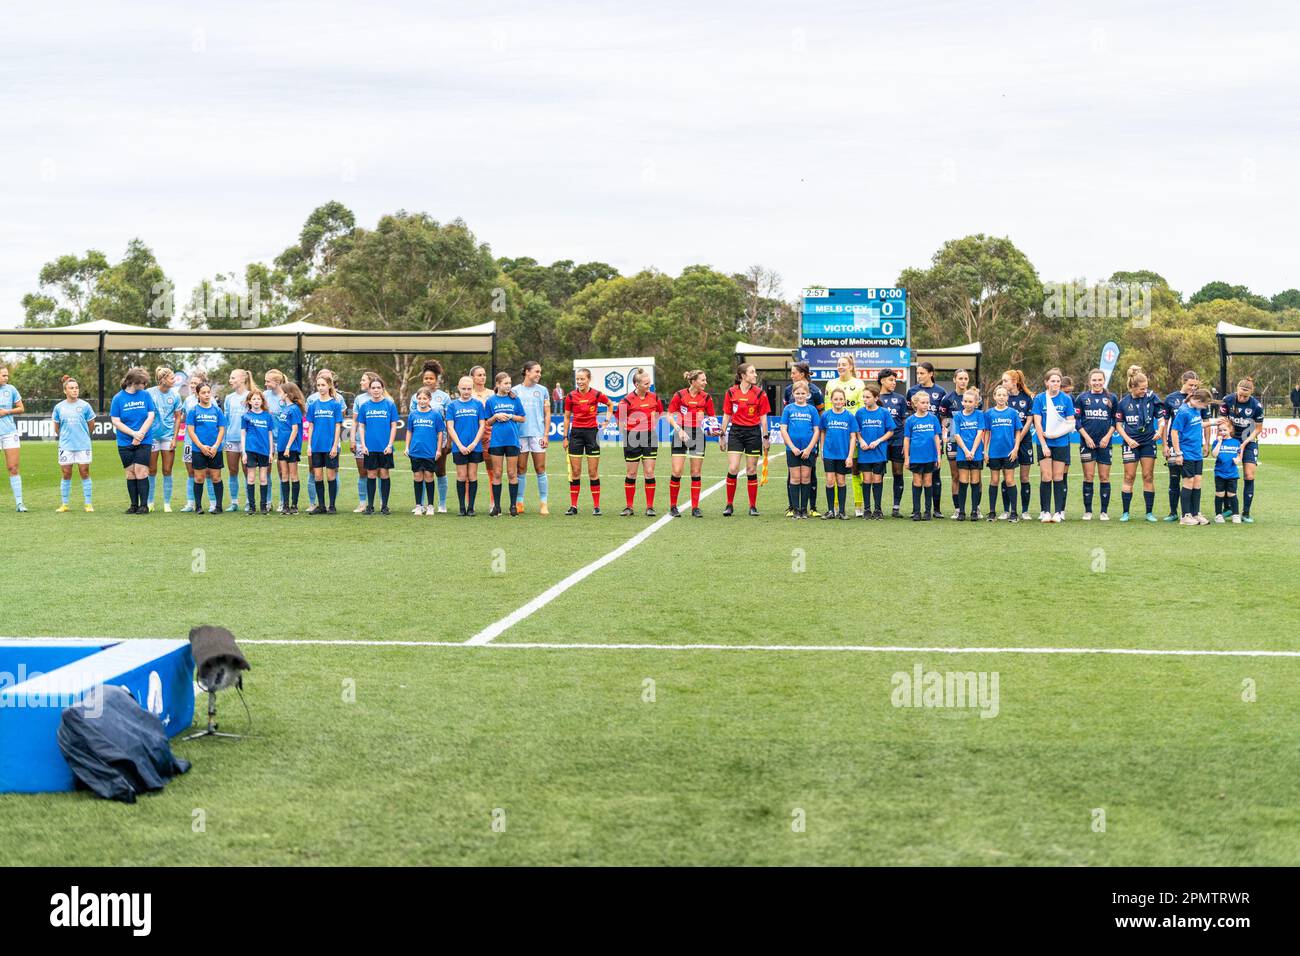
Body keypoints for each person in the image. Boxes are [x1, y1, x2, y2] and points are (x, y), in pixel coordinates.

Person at [561, 368, 613, 516]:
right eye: (577, 379)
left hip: (592, 434)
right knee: (576, 472)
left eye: (582, 379)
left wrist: (607, 420)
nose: (579, 382)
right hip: (576, 434)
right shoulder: (571, 396)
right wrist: (565, 437)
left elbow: (610, 404)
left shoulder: (596, 394)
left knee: (592, 472)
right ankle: (573, 506)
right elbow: (566, 417)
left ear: (589, 379)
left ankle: (596, 506)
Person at [720, 363, 770, 517]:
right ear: (742, 376)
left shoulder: (760, 394)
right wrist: (722, 435)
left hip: (753, 433)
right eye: (752, 372)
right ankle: (729, 504)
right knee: (733, 467)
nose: (755, 375)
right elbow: (727, 415)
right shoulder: (730, 393)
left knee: (751, 470)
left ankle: (753, 506)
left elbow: (763, 417)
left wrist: (765, 437)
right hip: (736, 432)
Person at [1114, 368, 1161, 522]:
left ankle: (1149, 513)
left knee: (1148, 476)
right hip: (1130, 443)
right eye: (1142, 389)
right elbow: (1119, 425)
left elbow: (1161, 418)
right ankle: (1125, 512)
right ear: (1133, 387)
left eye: (1146, 388)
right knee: (1129, 476)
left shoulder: (1152, 398)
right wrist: (1128, 440)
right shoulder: (1123, 403)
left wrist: (1160, 430)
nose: (1145, 391)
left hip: (1148, 442)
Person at [615, 368, 663, 517]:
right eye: (646, 383)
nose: (649, 385)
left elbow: (659, 413)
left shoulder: (654, 397)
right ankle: (629, 507)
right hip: (632, 438)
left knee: (649, 472)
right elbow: (620, 421)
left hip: (649, 437)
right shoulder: (626, 400)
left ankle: (650, 507)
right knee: (632, 473)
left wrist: (650, 426)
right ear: (637, 384)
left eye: (650, 383)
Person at [667, 369, 715, 518]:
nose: (705, 382)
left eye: (705, 380)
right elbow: (669, 415)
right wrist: (679, 430)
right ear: (693, 381)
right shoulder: (680, 395)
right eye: (703, 380)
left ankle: (695, 507)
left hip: (698, 435)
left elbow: (712, 417)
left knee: (695, 472)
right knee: (677, 471)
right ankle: (673, 507)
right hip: (680, 433)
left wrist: (713, 429)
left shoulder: (706, 397)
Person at [407, 361, 452, 514]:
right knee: (421, 472)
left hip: (440, 441)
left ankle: (442, 503)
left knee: (438, 472)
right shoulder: (416, 397)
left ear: (436, 379)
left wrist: (449, 441)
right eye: (426, 378)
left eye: (431, 378)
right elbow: (413, 419)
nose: (428, 381)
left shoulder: (444, 397)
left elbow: (449, 420)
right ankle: (421, 504)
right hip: (420, 443)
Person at [110, 367, 157, 514]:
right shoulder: (118, 398)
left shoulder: (145, 395)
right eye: (142, 382)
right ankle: (133, 505)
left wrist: (140, 434)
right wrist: (133, 434)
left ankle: (144, 505)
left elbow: (151, 416)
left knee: (141, 471)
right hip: (125, 441)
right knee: (130, 473)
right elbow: (116, 421)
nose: (144, 385)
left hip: (144, 440)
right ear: (133, 382)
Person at [1159, 371, 1204, 522]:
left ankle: (1193, 513)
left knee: (1194, 480)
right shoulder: (1172, 399)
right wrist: (1165, 444)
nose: (1193, 388)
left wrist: (1207, 441)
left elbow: (1199, 423)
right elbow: (1167, 425)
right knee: (1176, 479)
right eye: (1190, 385)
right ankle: (1176, 513)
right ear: (1183, 382)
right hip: (1177, 447)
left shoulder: (1197, 402)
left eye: (1195, 386)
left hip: (1193, 448)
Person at [824, 354, 866, 514]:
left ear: (851, 366)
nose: (841, 367)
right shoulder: (831, 383)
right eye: (839, 364)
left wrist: (858, 433)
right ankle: (834, 507)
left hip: (852, 434)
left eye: (844, 364)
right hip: (835, 434)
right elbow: (828, 408)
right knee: (833, 473)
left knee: (856, 469)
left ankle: (858, 505)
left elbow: (861, 410)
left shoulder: (858, 383)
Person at [1032, 368, 1075, 523]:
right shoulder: (1039, 399)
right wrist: (1043, 444)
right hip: (1044, 443)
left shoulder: (1066, 399)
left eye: (1058, 381)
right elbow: (1037, 423)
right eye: (1052, 381)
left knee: (1058, 476)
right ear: (1046, 382)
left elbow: (1070, 422)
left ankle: (1058, 512)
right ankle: (1045, 511)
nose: (1055, 384)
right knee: (1046, 476)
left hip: (1061, 442)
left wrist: (1057, 433)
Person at [1219, 377, 1264, 523]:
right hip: (1231, 438)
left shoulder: (1257, 406)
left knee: (1249, 475)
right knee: (1226, 472)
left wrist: (1244, 443)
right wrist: (1228, 438)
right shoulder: (1227, 400)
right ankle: (1228, 508)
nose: (1242, 398)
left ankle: (1246, 512)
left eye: (1245, 396)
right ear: (1237, 390)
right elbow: (1223, 421)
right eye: (1240, 394)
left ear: (1251, 393)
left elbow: (1258, 429)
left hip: (1249, 440)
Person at [907, 362, 948, 517]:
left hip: (933, 440)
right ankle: (916, 510)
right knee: (918, 479)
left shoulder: (941, 391)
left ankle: (934, 510)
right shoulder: (912, 391)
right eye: (917, 373)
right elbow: (909, 416)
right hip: (918, 444)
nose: (919, 376)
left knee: (934, 476)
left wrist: (942, 434)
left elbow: (944, 414)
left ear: (931, 373)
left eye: (922, 373)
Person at [1076, 369, 1118, 521]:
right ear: (1089, 382)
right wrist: (1086, 437)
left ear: (1104, 380)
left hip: (1105, 443)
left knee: (1104, 477)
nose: (1097, 383)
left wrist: (1107, 436)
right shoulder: (1082, 398)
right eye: (1094, 380)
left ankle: (1104, 512)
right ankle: (1088, 511)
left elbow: (1115, 420)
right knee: (1088, 476)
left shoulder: (1111, 397)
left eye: (1100, 380)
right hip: (1087, 443)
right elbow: (1077, 420)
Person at [785, 361, 825, 517]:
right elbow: (784, 425)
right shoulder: (789, 396)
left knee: (809, 475)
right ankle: (793, 508)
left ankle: (810, 507)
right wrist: (790, 444)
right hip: (792, 446)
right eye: (797, 393)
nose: (792, 375)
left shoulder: (814, 394)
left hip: (810, 445)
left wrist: (813, 446)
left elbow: (818, 423)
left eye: (794, 372)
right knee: (793, 476)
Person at [51, 375, 95, 512]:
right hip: (66, 445)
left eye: (76, 388)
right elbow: (57, 427)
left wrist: (84, 436)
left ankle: (88, 504)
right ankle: (65, 504)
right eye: (71, 388)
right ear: (65, 391)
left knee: (84, 472)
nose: (75, 390)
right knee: (66, 473)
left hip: (83, 444)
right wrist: (65, 437)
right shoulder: (59, 407)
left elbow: (91, 425)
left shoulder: (85, 406)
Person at [485, 371, 526, 516]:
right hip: (496, 441)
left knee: (511, 472)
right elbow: (487, 422)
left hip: (512, 440)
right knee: (497, 473)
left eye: (509, 383)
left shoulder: (515, 399)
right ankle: (496, 507)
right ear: (498, 384)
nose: (508, 386)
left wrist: (510, 416)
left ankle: (513, 506)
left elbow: (522, 418)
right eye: (505, 383)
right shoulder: (491, 401)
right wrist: (495, 416)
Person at [357, 374, 400, 515]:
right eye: (373, 388)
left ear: (382, 389)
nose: (376, 390)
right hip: (370, 447)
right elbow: (361, 426)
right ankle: (370, 506)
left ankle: (385, 506)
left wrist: (390, 444)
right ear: (369, 390)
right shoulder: (365, 406)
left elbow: (394, 426)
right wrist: (363, 445)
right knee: (371, 474)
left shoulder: (389, 404)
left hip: (385, 447)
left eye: (378, 387)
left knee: (384, 473)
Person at [513, 360, 551, 516]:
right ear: (527, 372)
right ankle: (519, 502)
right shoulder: (514, 391)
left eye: (540, 372)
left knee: (540, 469)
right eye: (536, 371)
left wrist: (546, 434)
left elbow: (547, 413)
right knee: (520, 469)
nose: (539, 374)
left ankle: (543, 503)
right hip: (520, 435)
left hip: (537, 434)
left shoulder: (543, 390)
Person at [1169, 387, 1211, 525]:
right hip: (1186, 453)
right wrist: (1178, 453)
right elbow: (1174, 432)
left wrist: (1214, 422)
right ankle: (1185, 516)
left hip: (1196, 453)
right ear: (1198, 401)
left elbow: (1197, 425)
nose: (1205, 408)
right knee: (1189, 482)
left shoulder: (1196, 409)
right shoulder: (1183, 411)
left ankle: (1195, 513)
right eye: (1204, 405)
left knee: (1197, 482)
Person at [852, 381, 894, 519]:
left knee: (877, 480)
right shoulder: (859, 413)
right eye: (863, 397)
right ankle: (867, 510)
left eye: (868, 397)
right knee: (867, 480)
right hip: (865, 453)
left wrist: (878, 441)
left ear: (876, 398)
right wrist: (861, 440)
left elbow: (890, 431)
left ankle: (878, 509)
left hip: (879, 453)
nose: (865, 399)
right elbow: (856, 430)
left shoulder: (883, 412)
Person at [447, 375, 487, 516]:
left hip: (474, 446)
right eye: (463, 388)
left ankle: (471, 508)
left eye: (469, 389)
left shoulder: (477, 404)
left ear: (473, 389)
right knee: (461, 476)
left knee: (472, 475)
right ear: (458, 388)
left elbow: (482, 425)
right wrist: (460, 445)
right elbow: (450, 427)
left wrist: (474, 443)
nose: (466, 391)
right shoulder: (452, 406)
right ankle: (462, 507)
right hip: (459, 447)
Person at [146, 366, 184, 512]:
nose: (174, 380)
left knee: (167, 470)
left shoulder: (175, 395)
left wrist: (175, 438)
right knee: (152, 470)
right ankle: (150, 502)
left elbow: (178, 416)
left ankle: (167, 503)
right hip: (152, 437)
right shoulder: (149, 393)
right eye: (172, 378)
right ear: (163, 380)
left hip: (168, 437)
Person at [306, 371, 345, 514]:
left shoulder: (335, 405)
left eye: (323, 385)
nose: (320, 387)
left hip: (330, 446)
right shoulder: (313, 405)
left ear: (329, 386)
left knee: (331, 476)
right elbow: (310, 426)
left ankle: (332, 506)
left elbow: (337, 426)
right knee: (317, 476)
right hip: (316, 446)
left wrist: (335, 445)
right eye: (318, 385)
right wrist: (309, 445)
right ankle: (321, 506)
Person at [780, 382, 820, 519]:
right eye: (797, 393)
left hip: (808, 450)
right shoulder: (788, 409)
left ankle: (804, 509)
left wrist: (809, 448)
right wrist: (792, 447)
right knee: (795, 478)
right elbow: (783, 429)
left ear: (808, 395)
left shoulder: (812, 410)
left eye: (803, 393)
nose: (800, 396)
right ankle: (796, 509)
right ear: (793, 394)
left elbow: (816, 431)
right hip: (793, 450)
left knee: (806, 478)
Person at [983, 385, 1023, 522]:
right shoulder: (989, 413)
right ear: (994, 397)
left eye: (1004, 395)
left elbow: (1018, 431)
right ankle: (992, 512)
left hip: (1009, 452)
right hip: (994, 453)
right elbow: (987, 432)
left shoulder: (1012, 413)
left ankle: (1013, 512)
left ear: (1008, 397)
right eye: (998, 395)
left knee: (1010, 480)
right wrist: (985, 450)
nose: (1001, 397)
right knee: (994, 480)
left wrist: (1016, 448)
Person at [186, 382, 227, 514]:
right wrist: (201, 446)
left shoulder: (217, 410)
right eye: (203, 393)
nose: (206, 395)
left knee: (216, 477)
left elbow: (221, 430)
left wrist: (216, 446)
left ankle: (218, 506)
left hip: (215, 450)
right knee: (199, 478)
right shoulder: (193, 411)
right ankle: (198, 506)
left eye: (208, 392)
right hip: (199, 450)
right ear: (198, 394)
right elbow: (191, 431)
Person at [1000, 369, 1035, 515]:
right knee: (1007, 477)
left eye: (1005, 381)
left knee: (1024, 477)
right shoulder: (1002, 397)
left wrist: (1018, 439)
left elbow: (1029, 421)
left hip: (1024, 441)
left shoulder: (1028, 398)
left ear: (1015, 382)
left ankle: (1025, 511)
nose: (1003, 384)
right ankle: (1006, 510)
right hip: (1007, 442)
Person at [406, 386, 445, 516]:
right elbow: (409, 431)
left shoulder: (435, 415)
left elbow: (440, 433)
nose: (422, 401)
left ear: (429, 399)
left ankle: (430, 506)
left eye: (425, 398)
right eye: (420, 398)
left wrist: (438, 450)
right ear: (416, 399)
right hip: (416, 451)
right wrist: (407, 447)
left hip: (430, 451)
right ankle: (418, 506)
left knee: (429, 476)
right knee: (417, 476)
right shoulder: (413, 414)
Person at [902, 390, 941, 520]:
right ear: (915, 404)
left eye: (927, 403)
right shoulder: (910, 420)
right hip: (916, 457)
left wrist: (938, 456)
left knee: (928, 482)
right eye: (923, 403)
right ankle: (917, 511)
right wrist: (907, 458)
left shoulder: (933, 418)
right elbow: (906, 439)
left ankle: (927, 511)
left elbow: (936, 438)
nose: (926, 405)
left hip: (930, 456)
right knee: (917, 482)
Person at [950, 388, 987, 520]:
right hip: (962, 453)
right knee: (963, 481)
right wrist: (966, 450)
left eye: (970, 401)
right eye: (965, 401)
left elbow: (979, 433)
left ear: (976, 403)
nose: (967, 403)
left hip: (976, 453)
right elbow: (957, 434)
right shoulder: (958, 416)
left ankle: (974, 511)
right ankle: (962, 511)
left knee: (975, 481)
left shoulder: (979, 414)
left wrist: (972, 451)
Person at [819, 387, 856, 519]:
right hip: (829, 453)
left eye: (841, 399)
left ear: (845, 401)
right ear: (831, 400)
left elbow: (853, 437)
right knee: (830, 481)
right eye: (836, 399)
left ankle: (842, 511)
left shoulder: (850, 417)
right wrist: (822, 449)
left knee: (841, 481)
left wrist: (850, 456)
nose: (838, 401)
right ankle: (830, 511)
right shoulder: (826, 415)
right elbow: (822, 432)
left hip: (843, 454)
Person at [940, 368, 972, 517]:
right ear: (954, 380)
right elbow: (944, 420)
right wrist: (947, 434)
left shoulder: (974, 397)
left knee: (973, 476)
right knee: (956, 476)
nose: (963, 381)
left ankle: (975, 508)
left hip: (971, 442)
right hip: (954, 441)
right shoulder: (947, 399)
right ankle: (958, 508)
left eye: (965, 378)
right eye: (960, 378)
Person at [877, 370, 908, 517]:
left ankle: (896, 507)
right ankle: (878, 507)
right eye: (891, 380)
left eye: (895, 380)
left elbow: (903, 421)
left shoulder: (900, 399)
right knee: (879, 474)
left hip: (897, 440)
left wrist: (905, 441)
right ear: (882, 381)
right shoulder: (876, 398)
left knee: (898, 472)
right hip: (880, 441)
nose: (894, 382)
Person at [240, 388, 275, 514]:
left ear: (262, 401)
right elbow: (243, 435)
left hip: (264, 451)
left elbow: (270, 435)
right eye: (253, 399)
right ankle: (252, 506)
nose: (256, 401)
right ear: (249, 401)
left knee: (263, 478)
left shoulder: (267, 416)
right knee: (250, 478)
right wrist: (244, 452)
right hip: (250, 450)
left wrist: (271, 452)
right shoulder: (246, 416)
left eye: (258, 399)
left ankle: (263, 506)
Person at [180, 370, 210, 512]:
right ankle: (190, 503)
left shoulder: (211, 401)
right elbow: (183, 419)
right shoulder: (187, 401)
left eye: (195, 383)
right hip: (189, 442)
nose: (192, 385)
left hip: (206, 443)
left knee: (209, 473)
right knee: (191, 472)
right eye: (191, 383)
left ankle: (213, 502)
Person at [222, 368, 251, 512]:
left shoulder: (250, 396)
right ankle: (234, 502)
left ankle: (248, 501)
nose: (230, 380)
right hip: (231, 439)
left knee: (247, 470)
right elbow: (225, 420)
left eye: (233, 378)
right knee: (233, 470)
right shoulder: (229, 398)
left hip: (247, 440)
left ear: (242, 379)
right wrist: (223, 439)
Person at [275, 382, 306, 514]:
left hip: (291, 447)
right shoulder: (284, 408)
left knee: (293, 475)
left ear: (287, 394)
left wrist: (288, 446)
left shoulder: (294, 409)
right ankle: (286, 505)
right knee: (284, 475)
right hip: (281, 447)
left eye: (281, 392)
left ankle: (294, 505)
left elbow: (294, 429)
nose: (279, 394)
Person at [0, 363, 26, 512]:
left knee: (13, 467)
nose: (6, 377)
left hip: (9, 432)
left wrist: (6, 412)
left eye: (7, 375)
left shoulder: (11, 389)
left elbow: (21, 408)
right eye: (3, 375)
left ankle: (19, 503)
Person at [350, 371, 376, 513]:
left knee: (379, 473)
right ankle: (362, 503)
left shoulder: (384, 399)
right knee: (363, 473)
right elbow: (354, 421)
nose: (361, 382)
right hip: (361, 442)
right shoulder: (360, 399)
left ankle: (379, 502)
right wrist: (353, 439)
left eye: (363, 380)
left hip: (378, 443)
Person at [470, 365, 498, 488]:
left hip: (489, 433)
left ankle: (493, 504)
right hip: (472, 432)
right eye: (479, 375)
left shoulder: (492, 394)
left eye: (484, 375)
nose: (482, 377)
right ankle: (468, 505)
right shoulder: (467, 393)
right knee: (469, 471)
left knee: (491, 469)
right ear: (472, 377)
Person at [263, 369, 286, 509]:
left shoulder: (286, 396)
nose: (265, 384)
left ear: (277, 382)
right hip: (268, 438)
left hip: (283, 439)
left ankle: (283, 502)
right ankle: (267, 501)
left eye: (268, 381)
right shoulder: (264, 396)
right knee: (266, 470)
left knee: (283, 471)